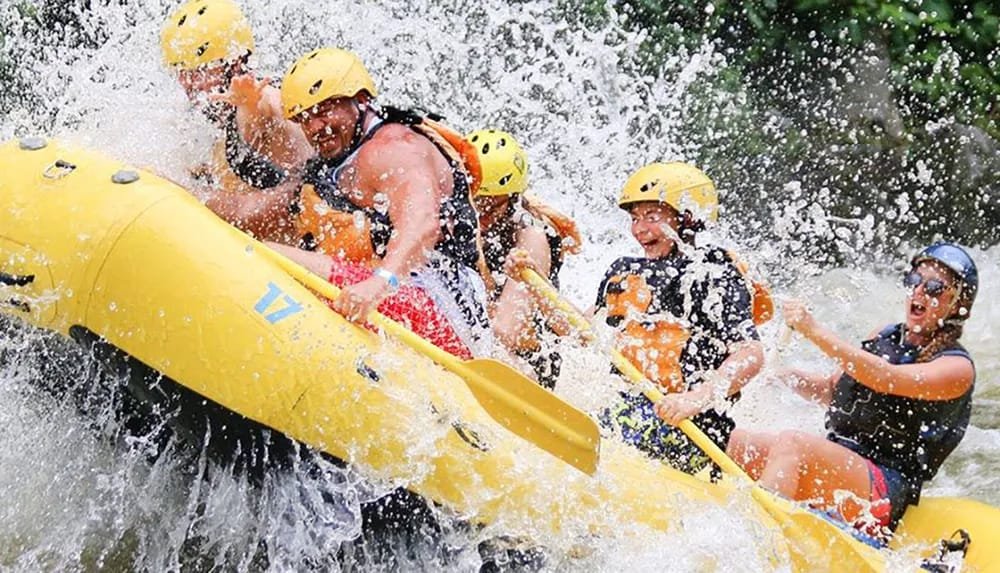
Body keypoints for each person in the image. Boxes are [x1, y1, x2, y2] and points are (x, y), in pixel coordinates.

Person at [727, 243, 978, 536]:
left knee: (793, 443)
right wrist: (786, 377)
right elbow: (833, 391)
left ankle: (756, 544)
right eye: (914, 280)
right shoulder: (884, 335)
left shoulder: (957, 368)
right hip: (841, 461)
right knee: (735, 441)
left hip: (883, 485)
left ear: (958, 304)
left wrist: (814, 331)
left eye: (934, 287)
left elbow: (886, 378)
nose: (919, 291)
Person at [273, 47, 491, 353]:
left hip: (443, 309)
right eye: (304, 118)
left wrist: (379, 283)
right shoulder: (339, 157)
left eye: (324, 111)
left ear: (361, 100)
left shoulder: (392, 147)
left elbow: (423, 222)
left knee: (270, 255)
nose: (314, 127)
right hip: (421, 298)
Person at [594, 162, 765, 477]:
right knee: (600, 428)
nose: (640, 229)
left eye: (652, 217)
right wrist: (532, 285)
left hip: (692, 425)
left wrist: (695, 399)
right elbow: (584, 331)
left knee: (616, 439)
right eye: (635, 218)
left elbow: (751, 354)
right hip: (630, 406)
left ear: (687, 219)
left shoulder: (714, 273)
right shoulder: (623, 269)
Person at [160, 0, 311, 242]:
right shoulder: (213, 114)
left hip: (299, 256)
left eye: (200, 71)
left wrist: (174, 190)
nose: (190, 84)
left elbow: (255, 210)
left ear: (235, 62)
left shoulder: (266, 100)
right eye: (182, 72)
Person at [466, 128, 582, 388]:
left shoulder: (531, 237)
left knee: (491, 344)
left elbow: (508, 332)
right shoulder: (457, 215)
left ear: (511, 199)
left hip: (529, 362)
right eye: (474, 201)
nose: (478, 213)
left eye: (489, 205)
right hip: (480, 340)